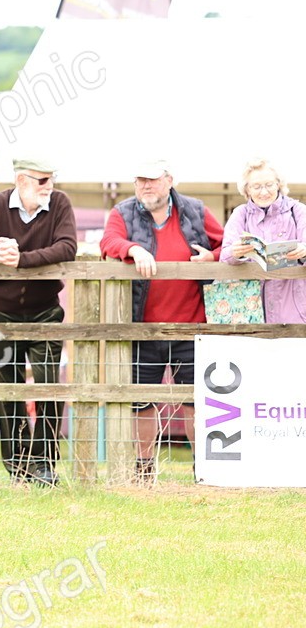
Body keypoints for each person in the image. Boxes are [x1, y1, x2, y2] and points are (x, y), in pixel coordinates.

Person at [0, 159, 78, 486]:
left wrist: (22, 260)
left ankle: (45, 464)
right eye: (42, 180)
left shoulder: (60, 204)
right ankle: (18, 468)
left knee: (49, 386)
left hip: (45, 311)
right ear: (22, 180)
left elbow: (68, 247)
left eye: (51, 178)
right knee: (8, 390)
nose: (49, 185)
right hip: (1, 312)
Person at [100, 160, 224, 483]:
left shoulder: (196, 211)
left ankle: (204, 469)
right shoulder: (122, 213)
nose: (145, 186)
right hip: (143, 326)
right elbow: (108, 242)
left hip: (192, 326)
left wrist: (212, 257)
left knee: (196, 402)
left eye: (152, 180)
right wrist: (133, 250)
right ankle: (143, 472)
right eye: (140, 180)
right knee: (141, 403)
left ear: (169, 180)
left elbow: (227, 245)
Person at [221, 159, 306, 323]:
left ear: (278, 185)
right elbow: (224, 255)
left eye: (269, 185)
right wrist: (234, 252)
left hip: (295, 310)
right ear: (247, 189)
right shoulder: (240, 214)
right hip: (251, 312)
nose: (264, 192)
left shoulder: (299, 211)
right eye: (256, 186)